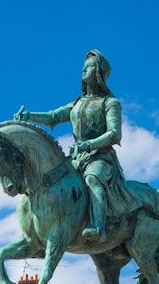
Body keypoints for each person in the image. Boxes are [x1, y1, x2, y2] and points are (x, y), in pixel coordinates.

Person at [15, 49, 141, 241]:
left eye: (89, 67)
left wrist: (88, 145)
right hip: (77, 158)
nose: (84, 70)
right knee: (52, 180)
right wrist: (29, 116)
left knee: (92, 178)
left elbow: (115, 134)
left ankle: (99, 227)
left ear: (98, 72)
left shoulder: (110, 103)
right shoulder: (77, 103)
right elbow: (53, 117)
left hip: (101, 157)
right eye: (83, 67)